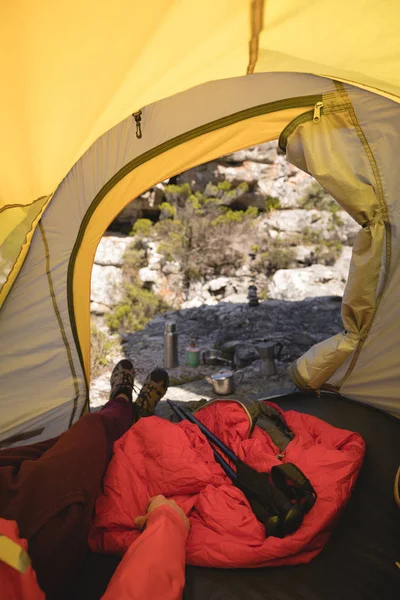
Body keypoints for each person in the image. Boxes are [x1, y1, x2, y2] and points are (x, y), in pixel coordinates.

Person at [0, 359, 189, 600]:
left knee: (56, 445)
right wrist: (168, 523)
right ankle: (124, 406)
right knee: (89, 431)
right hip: (21, 542)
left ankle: (125, 415)